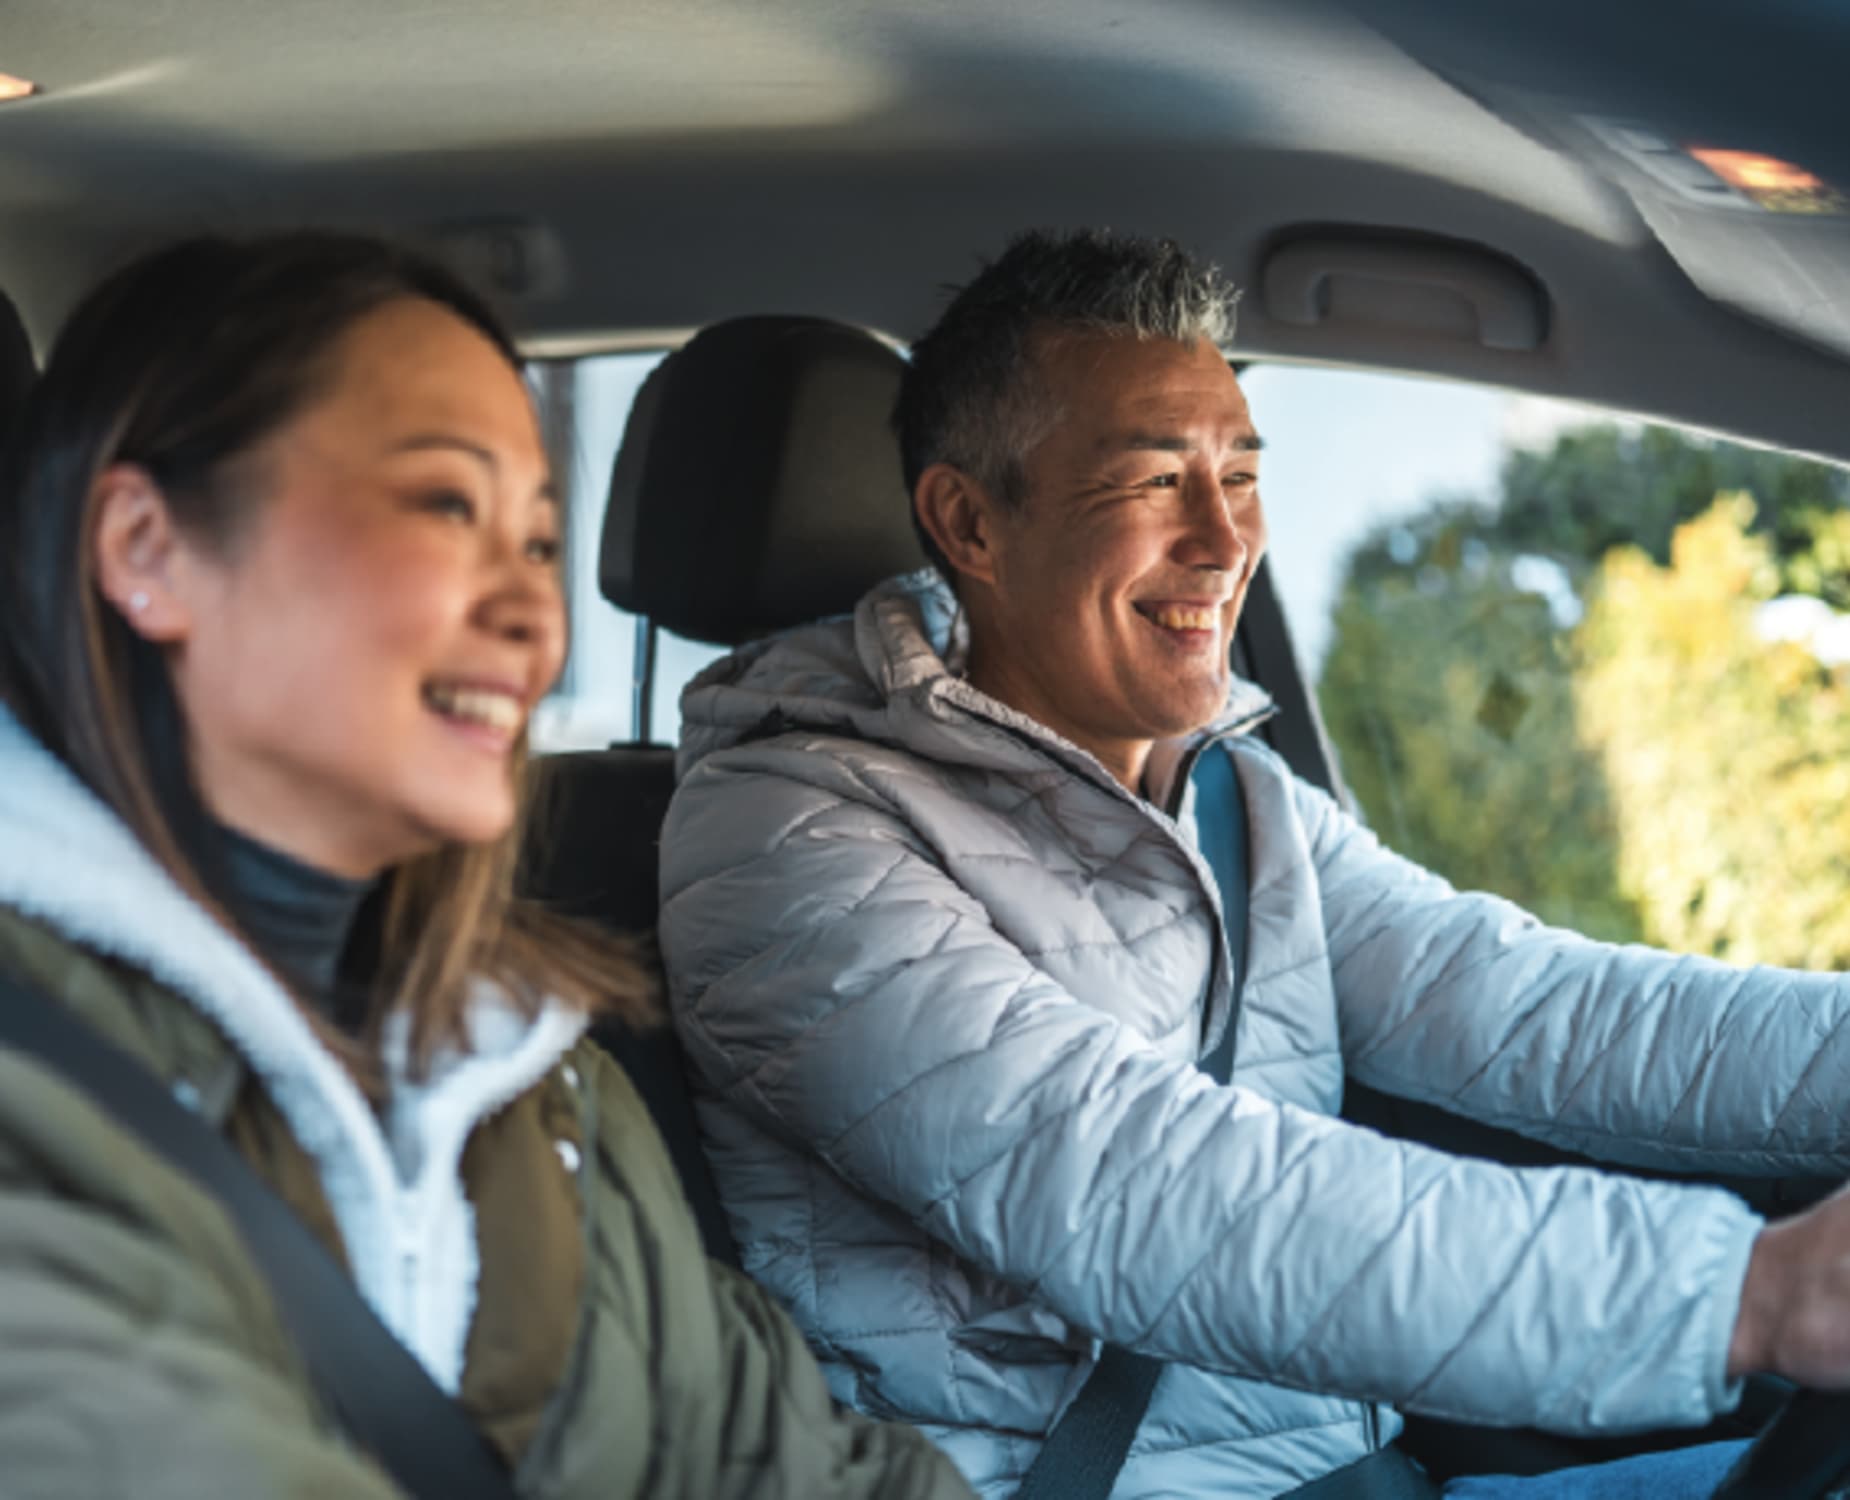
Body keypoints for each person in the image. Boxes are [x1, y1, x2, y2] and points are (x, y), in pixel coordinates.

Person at [656, 229, 1850, 1498]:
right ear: (970, 524)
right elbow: (1146, 1188)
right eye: (1154, 482)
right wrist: (1749, 1296)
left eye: (1238, 473)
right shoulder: (782, 839)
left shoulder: (1229, 793)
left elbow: (1548, 1013)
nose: (1225, 541)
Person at [0, 231, 975, 1500]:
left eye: (533, 543)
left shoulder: (538, 1082)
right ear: (146, 548)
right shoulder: (45, 1096)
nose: (533, 615)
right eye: (448, 506)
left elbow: (798, 1471)